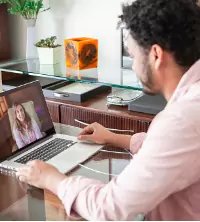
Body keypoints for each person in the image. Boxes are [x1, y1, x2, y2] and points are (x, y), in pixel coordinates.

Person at [16, 0, 200, 220]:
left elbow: (107, 208)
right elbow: (171, 149)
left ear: (156, 55)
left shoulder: (181, 120)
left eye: (133, 56)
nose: (133, 66)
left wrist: (52, 179)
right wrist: (114, 137)